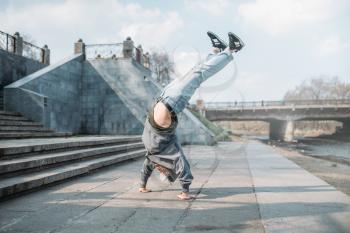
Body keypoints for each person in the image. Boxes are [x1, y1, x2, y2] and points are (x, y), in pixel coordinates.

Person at [139, 31, 245, 200]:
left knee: (193, 71)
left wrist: (142, 186)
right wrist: (185, 191)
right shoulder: (170, 154)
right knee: (198, 74)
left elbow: (145, 170)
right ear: (168, 170)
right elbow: (183, 167)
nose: (158, 170)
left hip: (164, 96)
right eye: (163, 172)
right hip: (173, 103)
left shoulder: (152, 158)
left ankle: (217, 51)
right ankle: (232, 49)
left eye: (159, 171)